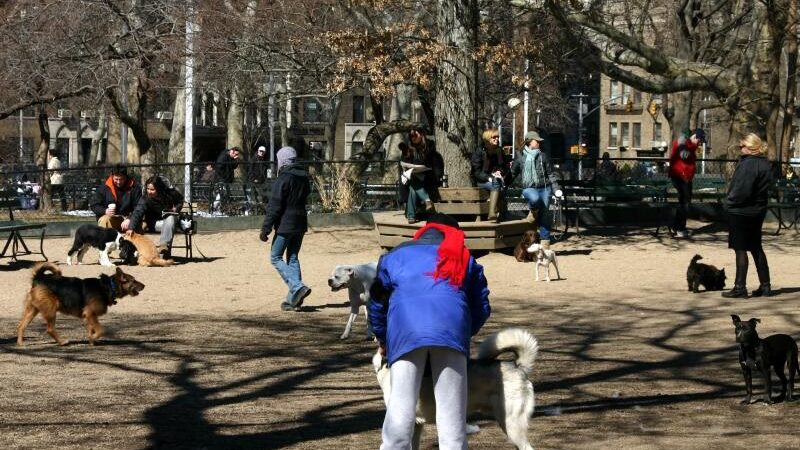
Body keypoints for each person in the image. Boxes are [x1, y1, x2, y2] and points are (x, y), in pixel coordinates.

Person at [368, 213, 491, 450]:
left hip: (405, 332)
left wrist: (383, 339)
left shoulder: (394, 256)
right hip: (450, 333)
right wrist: (464, 333)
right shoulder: (465, 258)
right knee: (451, 415)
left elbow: (377, 301)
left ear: (425, 231)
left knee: (400, 406)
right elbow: (481, 306)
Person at [259, 146, 312, 311]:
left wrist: (265, 229)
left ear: (282, 161)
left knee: (275, 257)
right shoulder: (304, 178)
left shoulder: (283, 178)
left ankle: (297, 286)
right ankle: (294, 301)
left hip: (285, 225)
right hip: (300, 223)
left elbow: (274, 206)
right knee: (293, 257)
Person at [721, 133, 774, 298]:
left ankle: (739, 287)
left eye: (742, 146)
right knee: (756, 247)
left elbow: (741, 190)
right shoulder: (766, 164)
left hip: (741, 211)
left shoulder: (747, 165)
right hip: (758, 210)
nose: (740, 149)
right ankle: (765, 286)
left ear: (752, 148)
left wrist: (728, 203)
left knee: (740, 248)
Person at [510, 131, 562, 250]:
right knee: (534, 198)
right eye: (536, 140)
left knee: (545, 217)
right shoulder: (520, 156)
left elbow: (550, 174)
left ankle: (545, 246)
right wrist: (504, 183)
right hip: (528, 188)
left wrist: (556, 189)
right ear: (529, 141)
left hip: (544, 188)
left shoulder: (543, 156)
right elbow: (513, 173)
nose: (539, 143)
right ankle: (533, 210)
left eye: (539, 141)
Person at [128, 176, 184, 258]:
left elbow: (180, 200)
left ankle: (163, 248)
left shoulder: (170, 193)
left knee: (171, 218)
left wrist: (176, 209)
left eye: (152, 189)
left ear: (159, 189)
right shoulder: (145, 199)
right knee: (141, 224)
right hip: (154, 224)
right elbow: (137, 212)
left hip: (169, 223)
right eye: (148, 189)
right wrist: (131, 228)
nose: (149, 192)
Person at [401, 128, 444, 224]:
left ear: (421, 135)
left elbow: (435, 166)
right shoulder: (408, 149)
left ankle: (411, 215)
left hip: (428, 178)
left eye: (415, 135)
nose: (413, 138)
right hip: (413, 178)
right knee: (413, 184)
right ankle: (427, 201)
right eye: (411, 136)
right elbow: (405, 163)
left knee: (413, 186)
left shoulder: (429, 148)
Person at [668, 128, 704, 238]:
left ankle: (676, 226)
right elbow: (684, 155)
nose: (700, 143)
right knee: (685, 203)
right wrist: (693, 147)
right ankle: (679, 228)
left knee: (684, 202)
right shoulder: (684, 142)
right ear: (694, 137)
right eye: (699, 140)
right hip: (681, 177)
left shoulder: (688, 144)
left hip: (684, 177)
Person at [90, 165, 143, 232]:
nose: (118, 182)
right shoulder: (104, 188)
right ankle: (104, 240)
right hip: (111, 218)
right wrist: (105, 211)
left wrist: (130, 218)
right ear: (112, 176)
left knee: (137, 223)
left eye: (121, 179)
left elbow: (139, 208)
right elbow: (94, 204)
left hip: (127, 218)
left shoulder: (135, 188)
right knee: (104, 220)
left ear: (126, 177)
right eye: (116, 179)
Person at [471, 128, 508, 222]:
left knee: (500, 185)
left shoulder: (500, 151)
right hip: (481, 180)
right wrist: (489, 177)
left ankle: (498, 214)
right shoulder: (479, 151)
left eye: (498, 137)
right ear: (487, 139)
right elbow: (476, 172)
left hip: (494, 179)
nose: (497, 139)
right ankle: (492, 213)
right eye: (494, 137)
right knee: (497, 184)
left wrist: (500, 172)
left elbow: (504, 167)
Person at [212, 147, 242, 212]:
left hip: (227, 179)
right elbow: (219, 168)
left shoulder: (231, 158)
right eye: (236, 154)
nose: (236, 156)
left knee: (224, 194)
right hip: (221, 179)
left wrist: (235, 160)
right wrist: (223, 177)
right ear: (232, 152)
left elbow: (234, 166)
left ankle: (219, 208)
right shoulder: (223, 157)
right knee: (222, 193)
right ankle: (214, 206)